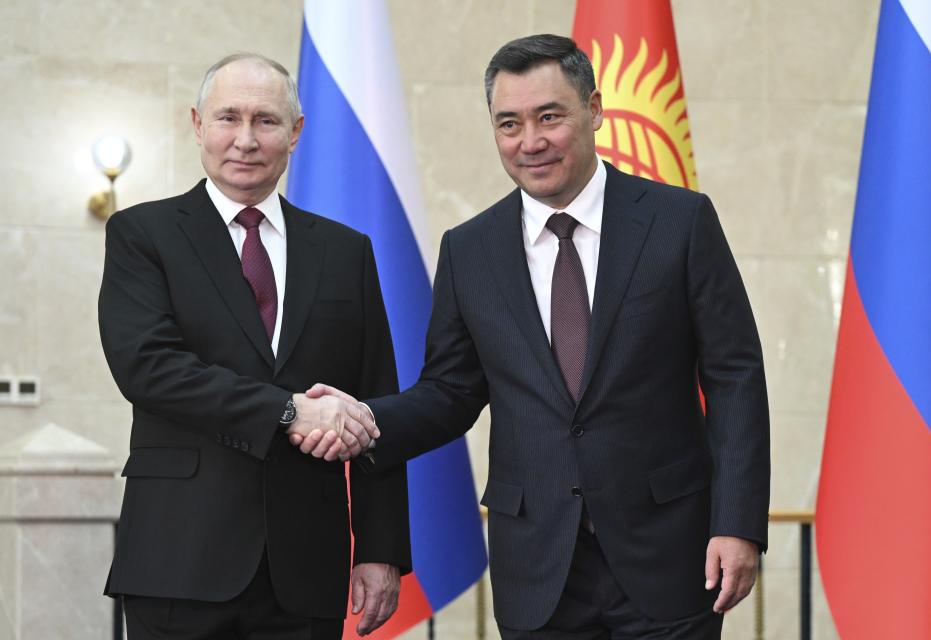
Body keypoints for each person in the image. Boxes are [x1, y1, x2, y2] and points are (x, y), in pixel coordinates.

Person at [302, 34, 770, 639]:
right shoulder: (469, 249)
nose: (531, 142)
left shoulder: (679, 222)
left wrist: (737, 523)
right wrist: (364, 417)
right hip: (539, 567)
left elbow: (735, 376)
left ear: (594, 110)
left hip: (671, 555)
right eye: (509, 123)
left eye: (550, 116)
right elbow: (450, 392)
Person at [98, 52, 410, 639]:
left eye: (266, 121)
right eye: (227, 118)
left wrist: (380, 548)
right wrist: (288, 411)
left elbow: (376, 405)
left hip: (306, 572)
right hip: (178, 563)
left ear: (295, 133)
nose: (245, 139)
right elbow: (150, 369)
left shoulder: (347, 252)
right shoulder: (143, 235)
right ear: (197, 125)